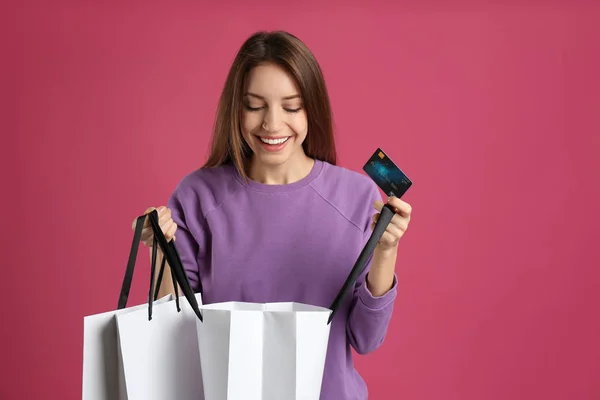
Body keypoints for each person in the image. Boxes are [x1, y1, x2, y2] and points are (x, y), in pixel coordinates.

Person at [133, 30, 412, 400]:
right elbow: (172, 333)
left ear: (312, 108)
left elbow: (366, 338)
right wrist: (160, 252)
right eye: (255, 105)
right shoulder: (198, 195)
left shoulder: (358, 196)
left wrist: (387, 249)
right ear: (237, 108)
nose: (272, 124)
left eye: (291, 106)